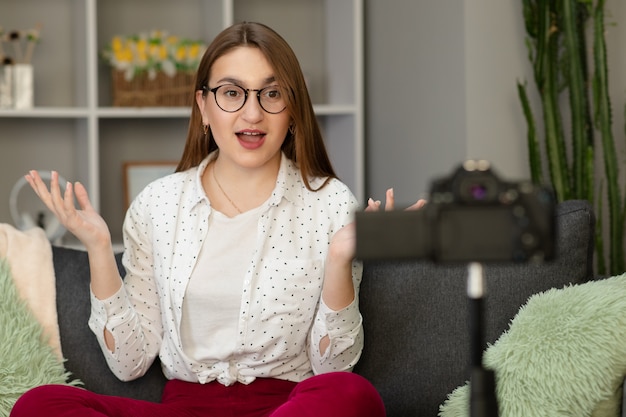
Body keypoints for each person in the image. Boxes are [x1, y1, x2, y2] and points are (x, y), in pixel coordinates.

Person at [11, 22, 423, 417]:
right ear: (203, 106)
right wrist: (99, 248)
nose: (252, 114)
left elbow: (334, 369)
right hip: (185, 408)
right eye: (231, 93)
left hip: (287, 406)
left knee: (352, 395)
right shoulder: (158, 204)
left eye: (272, 93)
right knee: (39, 405)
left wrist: (339, 259)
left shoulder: (330, 203)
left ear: (293, 111)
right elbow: (129, 364)